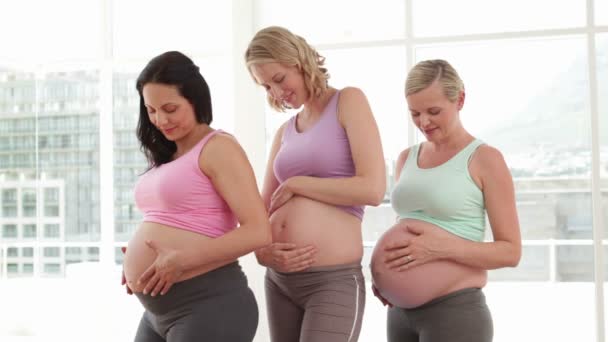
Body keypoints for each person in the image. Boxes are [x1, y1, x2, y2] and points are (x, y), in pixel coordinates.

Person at [244, 26, 386, 342]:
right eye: (266, 87)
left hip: (332, 281)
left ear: (299, 60)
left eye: (279, 79)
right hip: (279, 280)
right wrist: (262, 252)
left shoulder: (348, 101)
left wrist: (298, 183)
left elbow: (373, 188)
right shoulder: (285, 131)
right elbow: (260, 208)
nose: (276, 93)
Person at [120, 51, 271, 342]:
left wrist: (181, 259)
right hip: (157, 312)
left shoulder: (218, 148)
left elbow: (259, 231)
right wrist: (139, 263)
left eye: (170, 108)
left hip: (209, 305)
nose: (160, 120)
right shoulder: (166, 155)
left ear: (195, 100)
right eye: (151, 110)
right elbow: (172, 218)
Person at [370, 59, 522, 342]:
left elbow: (510, 252)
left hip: (455, 311)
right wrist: (386, 277)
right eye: (414, 113)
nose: (424, 122)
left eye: (434, 111)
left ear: (460, 99)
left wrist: (439, 249)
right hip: (399, 312)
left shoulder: (485, 159)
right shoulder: (406, 158)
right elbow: (407, 227)